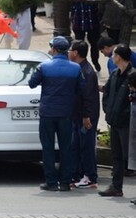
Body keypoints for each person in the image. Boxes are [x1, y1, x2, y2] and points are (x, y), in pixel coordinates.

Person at [29, 36, 83, 191]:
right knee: (66, 148)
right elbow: (81, 88)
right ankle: (65, 182)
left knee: (48, 148)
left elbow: (32, 83)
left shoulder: (44, 66)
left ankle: (51, 182)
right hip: (66, 113)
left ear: (53, 49)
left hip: (47, 113)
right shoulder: (76, 68)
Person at [99, 46, 133, 198]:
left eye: (114, 55)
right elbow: (107, 94)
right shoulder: (114, 74)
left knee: (131, 157)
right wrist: (108, 110)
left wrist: (124, 114)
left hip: (128, 124)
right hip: (114, 121)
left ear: (119, 56)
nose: (112, 57)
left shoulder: (133, 75)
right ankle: (116, 186)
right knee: (116, 156)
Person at [68, 40, 99, 189]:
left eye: (70, 50)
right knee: (76, 146)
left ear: (76, 53)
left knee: (86, 146)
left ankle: (90, 177)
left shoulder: (86, 71)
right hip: (77, 115)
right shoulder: (78, 69)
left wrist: (86, 116)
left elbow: (87, 97)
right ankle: (77, 175)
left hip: (85, 116)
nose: (68, 53)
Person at [70, 0, 102, 72]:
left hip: (93, 22)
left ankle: (95, 61)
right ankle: (81, 64)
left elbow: (99, 4)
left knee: (95, 44)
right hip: (78, 22)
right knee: (79, 46)